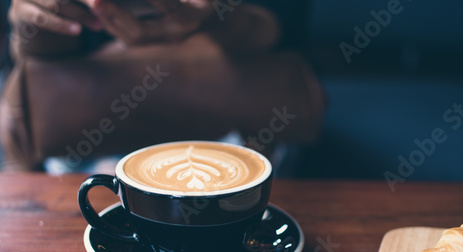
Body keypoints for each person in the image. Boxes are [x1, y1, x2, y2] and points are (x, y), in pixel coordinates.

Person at [0, 0, 324, 173]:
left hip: (243, 139)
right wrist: (33, 24)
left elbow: (279, 28)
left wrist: (214, 16)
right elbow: (31, 64)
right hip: (74, 148)